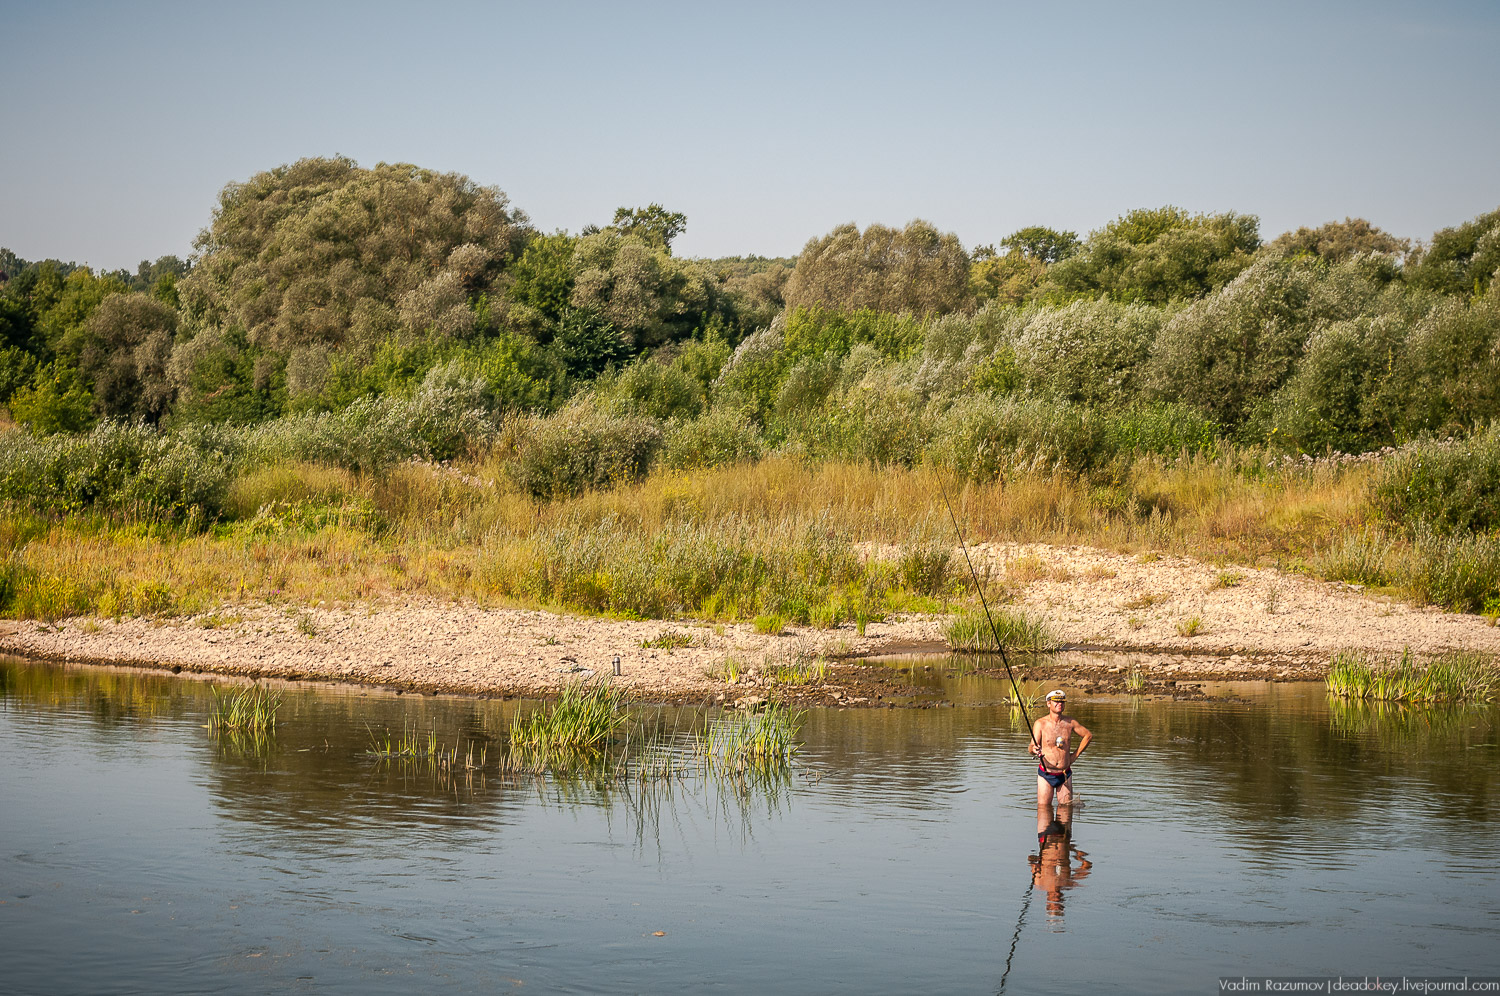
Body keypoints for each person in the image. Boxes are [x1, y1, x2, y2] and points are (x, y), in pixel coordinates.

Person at [1028, 689, 1091, 808]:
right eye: (1056, 701)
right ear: (1048, 703)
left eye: (1062, 702)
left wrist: (1074, 756)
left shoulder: (1070, 722)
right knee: (1043, 811)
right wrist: (1034, 750)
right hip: (1046, 774)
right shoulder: (1040, 723)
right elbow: (1031, 747)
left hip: (1064, 774)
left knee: (1066, 813)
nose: (1060, 704)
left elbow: (1088, 735)